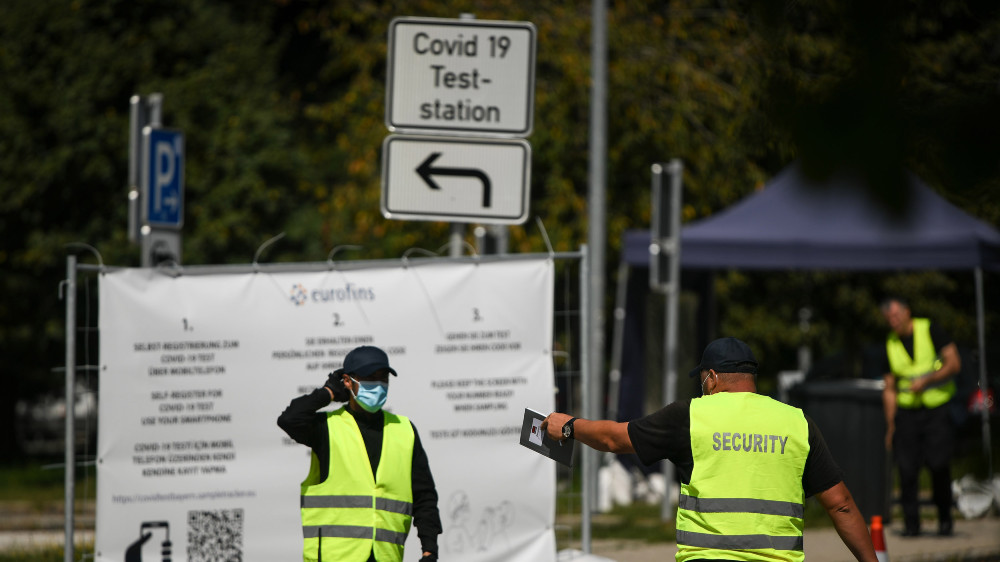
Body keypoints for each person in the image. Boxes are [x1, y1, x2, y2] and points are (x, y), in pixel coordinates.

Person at [542, 337, 878, 562]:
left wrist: (569, 426)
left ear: (712, 378)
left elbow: (614, 438)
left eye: (701, 378)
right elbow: (842, 506)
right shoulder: (796, 422)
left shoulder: (690, 416)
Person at [278, 345, 442, 561]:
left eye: (383, 378)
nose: (378, 385)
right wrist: (327, 393)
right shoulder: (327, 427)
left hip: (386, 557)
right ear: (347, 381)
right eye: (369, 378)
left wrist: (429, 549)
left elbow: (424, 497)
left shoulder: (404, 430)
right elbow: (289, 419)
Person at [879, 297, 961, 537]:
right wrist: (891, 425)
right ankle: (911, 525)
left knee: (939, 464)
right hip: (906, 413)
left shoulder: (931, 329)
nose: (893, 322)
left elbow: (954, 363)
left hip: (936, 408)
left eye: (896, 316)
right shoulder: (890, 343)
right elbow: (889, 388)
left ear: (907, 313)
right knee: (906, 470)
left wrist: (927, 380)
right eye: (889, 319)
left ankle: (945, 519)